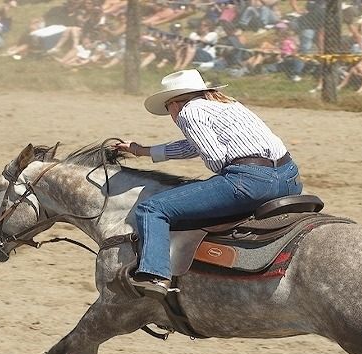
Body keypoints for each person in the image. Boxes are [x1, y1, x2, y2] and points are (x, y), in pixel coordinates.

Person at [114, 69, 302, 297]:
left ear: (174, 103)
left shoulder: (189, 113)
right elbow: (190, 146)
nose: (170, 114)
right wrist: (141, 150)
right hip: (289, 179)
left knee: (152, 208)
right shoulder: (227, 105)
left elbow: (214, 159)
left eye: (167, 109)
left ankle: (155, 275)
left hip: (251, 182)